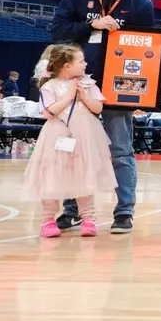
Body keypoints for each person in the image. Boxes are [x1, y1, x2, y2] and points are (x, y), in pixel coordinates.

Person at [48, 0, 157, 235]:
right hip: (78, 85)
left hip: (117, 89)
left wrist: (141, 96)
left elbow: (148, 51)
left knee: (121, 150)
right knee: (74, 151)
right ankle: (72, 211)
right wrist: (90, 26)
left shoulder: (141, 4)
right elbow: (57, 32)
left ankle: (124, 211)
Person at [26, 44, 115, 238]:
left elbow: (98, 108)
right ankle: (48, 219)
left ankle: (88, 218)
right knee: (52, 173)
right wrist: (68, 97)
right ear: (67, 66)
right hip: (57, 133)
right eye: (81, 61)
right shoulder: (49, 86)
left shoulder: (88, 84)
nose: (85, 64)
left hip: (85, 133)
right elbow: (49, 112)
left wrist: (83, 95)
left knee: (83, 173)